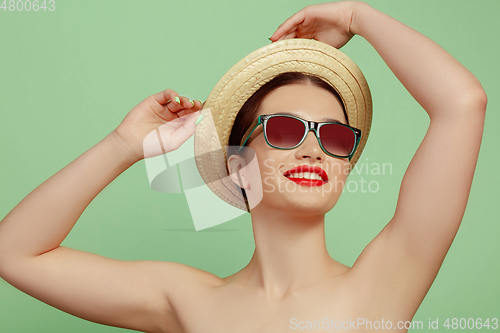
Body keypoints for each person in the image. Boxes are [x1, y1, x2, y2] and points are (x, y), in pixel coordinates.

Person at [0, 1, 486, 332]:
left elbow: (463, 103)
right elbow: (15, 253)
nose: (314, 150)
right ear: (236, 168)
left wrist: (356, 14)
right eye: (285, 130)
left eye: (335, 137)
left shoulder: (382, 283)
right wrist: (123, 145)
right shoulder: (189, 301)